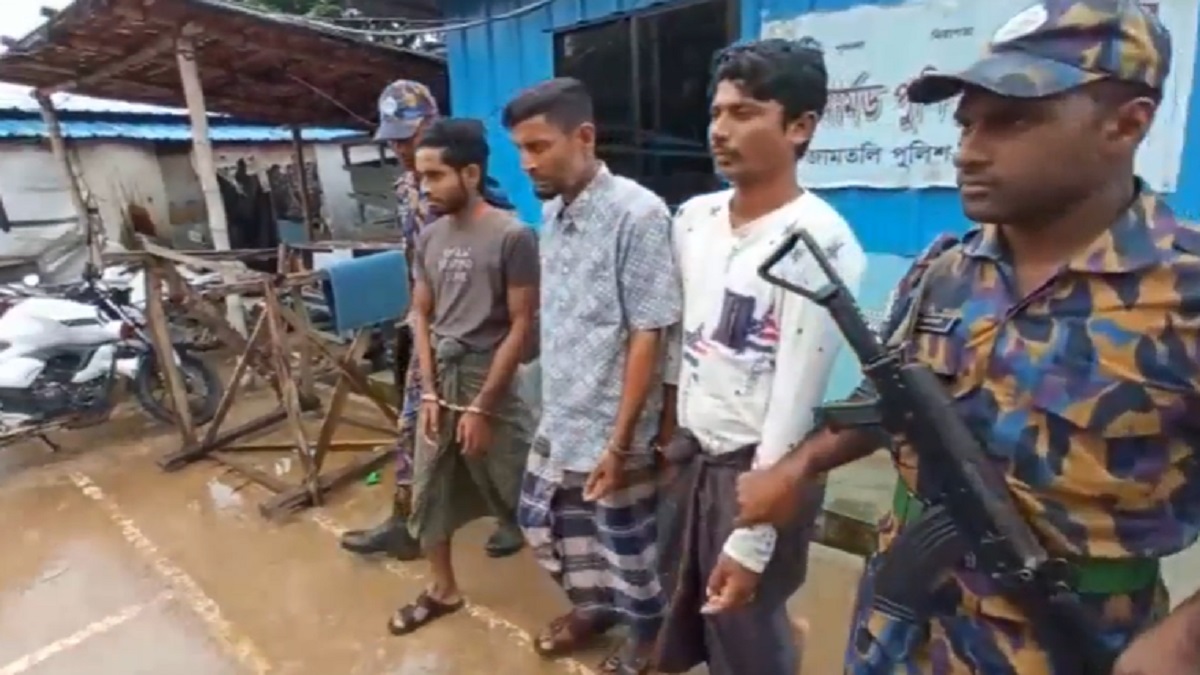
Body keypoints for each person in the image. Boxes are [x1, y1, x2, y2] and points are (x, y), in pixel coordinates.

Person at [732, 1, 1200, 673]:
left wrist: (1184, 641)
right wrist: (800, 466)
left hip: (1067, 642)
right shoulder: (945, 270)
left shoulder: (1185, 293)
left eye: (1012, 120)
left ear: (1127, 124)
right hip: (899, 621)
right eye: (967, 123)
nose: (969, 150)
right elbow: (891, 399)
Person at [654, 39, 866, 675]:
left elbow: (796, 400)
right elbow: (680, 343)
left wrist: (753, 538)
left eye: (745, 113)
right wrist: (668, 438)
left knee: (745, 629)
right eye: (717, 113)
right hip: (694, 457)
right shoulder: (694, 219)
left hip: (757, 473)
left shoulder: (818, 242)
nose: (720, 130)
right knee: (689, 608)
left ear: (800, 127)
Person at [503, 78, 682, 674]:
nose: (527, 163)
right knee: (544, 522)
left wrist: (623, 441)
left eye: (538, 146)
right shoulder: (552, 212)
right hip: (562, 414)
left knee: (627, 546)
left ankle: (650, 640)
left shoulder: (639, 214)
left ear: (584, 137)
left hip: (613, 423)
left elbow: (649, 332)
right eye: (520, 149)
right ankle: (596, 607)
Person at [341, 80, 525, 561]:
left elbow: (502, 275)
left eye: (408, 137)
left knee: (496, 436)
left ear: (431, 124)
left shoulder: (485, 200)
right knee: (418, 429)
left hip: (477, 339)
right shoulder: (407, 188)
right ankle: (410, 522)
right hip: (428, 331)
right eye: (393, 141)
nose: (400, 149)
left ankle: (517, 517)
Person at [385, 118, 539, 634]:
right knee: (428, 488)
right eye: (420, 176)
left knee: (524, 488)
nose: (424, 187)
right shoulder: (429, 237)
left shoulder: (513, 235)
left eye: (434, 176)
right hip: (440, 379)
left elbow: (521, 324)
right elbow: (421, 314)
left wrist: (483, 406)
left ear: (470, 174)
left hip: (488, 380)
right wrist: (428, 391)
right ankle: (443, 590)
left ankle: (591, 600)